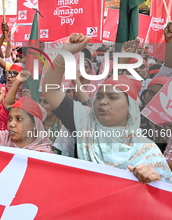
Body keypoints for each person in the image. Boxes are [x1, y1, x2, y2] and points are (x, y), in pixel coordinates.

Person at [43, 33, 172, 184]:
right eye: (99, 96)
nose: (102, 102)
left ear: (130, 107)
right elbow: (51, 91)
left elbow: (163, 194)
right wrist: (65, 52)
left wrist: (153, 178)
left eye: (112, 97)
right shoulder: (83, 123)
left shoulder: (148, 151)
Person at [0, 87, 54, 153]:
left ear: (35, 124)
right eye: (10, 119)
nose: (11, 124)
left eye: (19, 119)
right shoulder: (4, 139)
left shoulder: (44, 155)